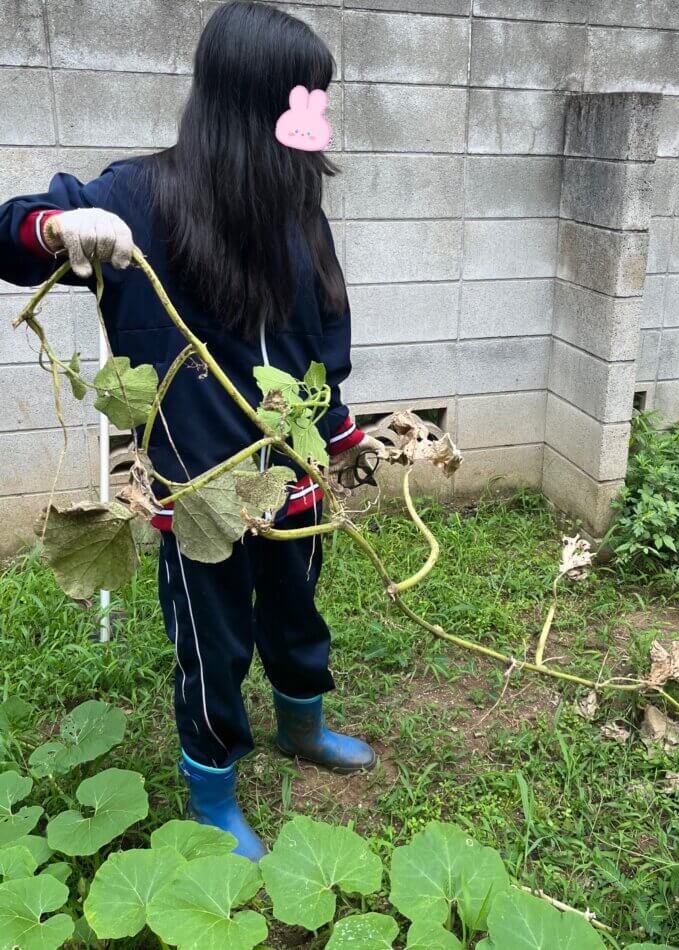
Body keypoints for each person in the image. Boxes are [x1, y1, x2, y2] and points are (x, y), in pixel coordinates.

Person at [0, 1, 383, 861]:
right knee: (212, 642)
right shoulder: (140, 193)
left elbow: (321, 332)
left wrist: (341, 427)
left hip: (294, 469)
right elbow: (12, 235)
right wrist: (59, 228)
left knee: (297, 608)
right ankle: (212, 781)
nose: (315, 117)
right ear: (250, 99)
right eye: (304, 97)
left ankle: (303, 725)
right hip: (198, 488)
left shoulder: (296, 205)